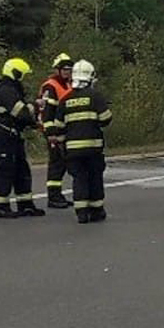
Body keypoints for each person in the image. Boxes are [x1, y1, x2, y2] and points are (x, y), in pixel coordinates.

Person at [0, 58, 46, 218]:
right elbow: (20, 113)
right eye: (22, 74)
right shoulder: (6, 90)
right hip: (5, 136)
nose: (23, 78)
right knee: (5, 170)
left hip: (14, 136)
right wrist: (34, 107)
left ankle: (25, 204)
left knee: (22, 170)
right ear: (15, 73)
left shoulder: (13, 89)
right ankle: (1, 207)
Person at [59, 60, 112, 224]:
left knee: (79, 179)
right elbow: (106, 119)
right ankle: (97, 210)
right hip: (93, 147)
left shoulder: (65, 99)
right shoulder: (95, 96)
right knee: (95, 178)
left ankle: (81, 212)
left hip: (72, 150)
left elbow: (58, 126)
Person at [39, 53, 74, 208]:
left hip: (65, 130)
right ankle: (53, 197)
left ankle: (57, 195)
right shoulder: (51, 86)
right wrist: (50, 133)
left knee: (63, 164)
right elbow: (47, 112)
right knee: (56, 164)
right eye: (65, 69)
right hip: (54, 132)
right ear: (58, 70)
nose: (68, 72)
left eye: (70, 69)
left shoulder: (68, 84)